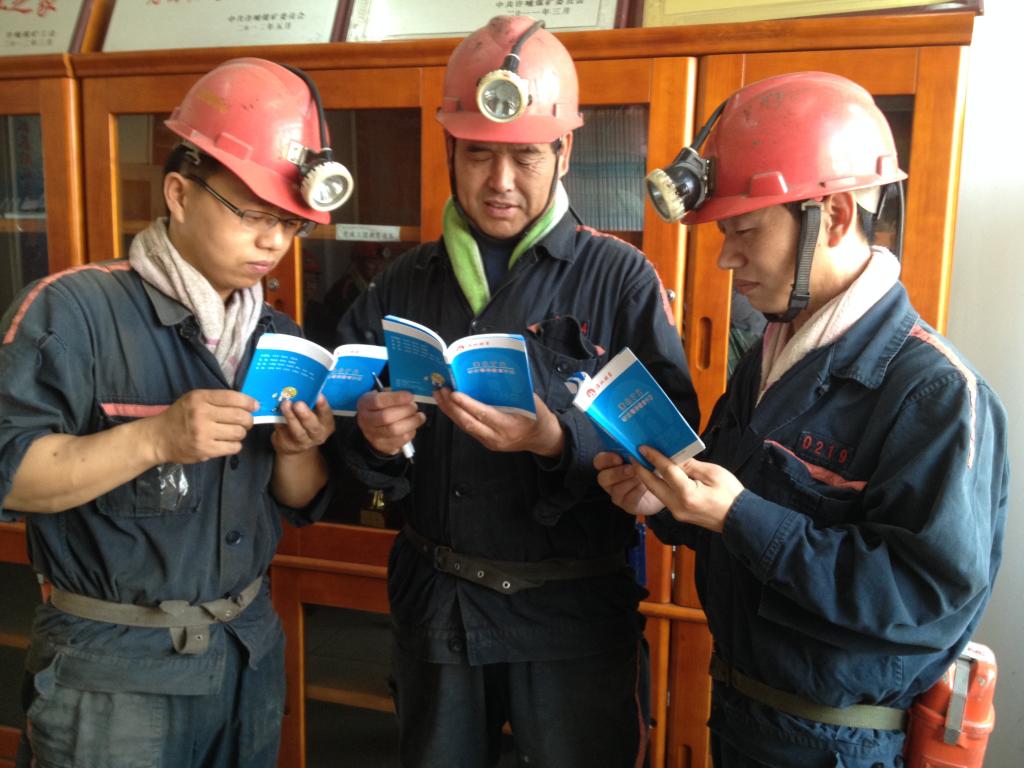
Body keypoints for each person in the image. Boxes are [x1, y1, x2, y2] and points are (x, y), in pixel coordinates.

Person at [596, 71, 1008, 767]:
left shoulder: (934, 393)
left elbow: (921, 598)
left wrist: (741, 515)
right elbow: (726, 514)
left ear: (836, 216)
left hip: (837, 744)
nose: (725, 257)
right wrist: (665, 503)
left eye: (744, 230)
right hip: (740, 715)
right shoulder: (771, 354)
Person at [336, 16, 699, 767]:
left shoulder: (619, 278)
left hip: (570, 620)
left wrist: (555, 439)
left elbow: (673, 448)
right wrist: (374, 438)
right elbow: (342, 436)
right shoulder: (404, 281)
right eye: (478, 154)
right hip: (438, 612)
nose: (500, 181)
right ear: (450, 150)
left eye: (526, 155)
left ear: (564, 152)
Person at [0, 57, 353, 768]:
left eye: (289, 224)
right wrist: (156, 438)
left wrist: (298, 450)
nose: (272, 242)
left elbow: (297, 499)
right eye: (253, 214)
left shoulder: (277, 336)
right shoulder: (73, 312)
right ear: (179, 193)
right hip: (114, 670)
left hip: (245, 653)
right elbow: (11, 475)